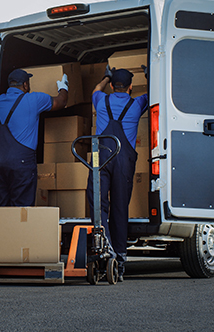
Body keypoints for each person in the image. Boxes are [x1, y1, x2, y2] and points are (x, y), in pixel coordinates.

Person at [88, 65, 148, 281]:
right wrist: (150, 74)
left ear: (112, 86)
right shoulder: (137, 103)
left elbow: (96, 88)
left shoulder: (101, 99)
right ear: (130, 87)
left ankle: (104, 249)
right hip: (124, 160)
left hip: (101, 157)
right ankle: (119, 258)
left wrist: (105, 75)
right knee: (120, 208)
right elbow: (155, 93)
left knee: (98, 204)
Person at [0, 68, 69, 207]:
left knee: (1, 208)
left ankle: (2, 229)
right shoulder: (34, 100)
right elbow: (61, 102)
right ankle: (19, 229)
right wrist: (63, 87)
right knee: (22, 209)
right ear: (25, 85)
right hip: (21, 163)